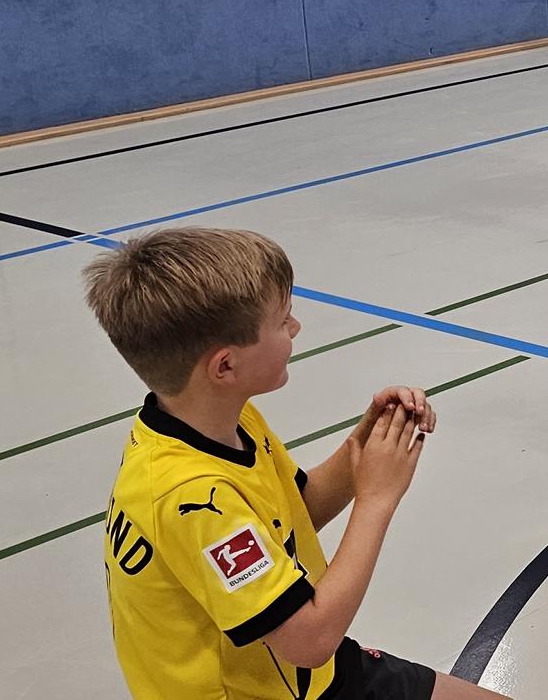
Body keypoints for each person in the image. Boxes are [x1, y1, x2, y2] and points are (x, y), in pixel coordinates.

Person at [85, 228, 508, 700]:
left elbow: (293, 513)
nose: (295, 328)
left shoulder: (214, 419)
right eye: (282, 321)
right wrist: (377, 498)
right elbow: (308, 642)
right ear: (225, 366)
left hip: (309, 676)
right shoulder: (192, 498)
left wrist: (361, 447)